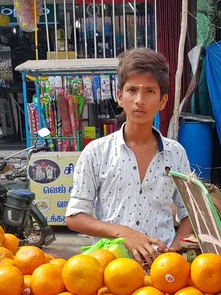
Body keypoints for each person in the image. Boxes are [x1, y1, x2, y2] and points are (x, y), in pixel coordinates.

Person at [65, 48, 193, 266]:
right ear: (120, 97)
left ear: (163, 101)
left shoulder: (176, 153)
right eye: (132, 90)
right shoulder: (97, 152)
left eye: (150, 92)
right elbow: (75, 217)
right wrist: (123, 233)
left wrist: (174, 249)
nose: (139, 100)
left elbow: (189, 213)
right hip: (110, 268)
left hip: (162, 269)